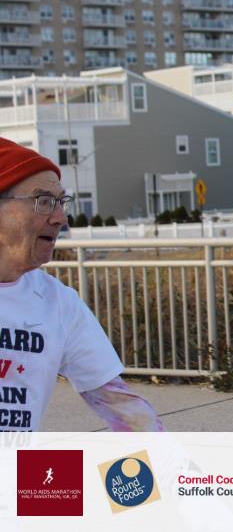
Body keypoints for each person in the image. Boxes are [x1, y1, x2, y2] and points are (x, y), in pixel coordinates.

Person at [0, 138, 162, 431]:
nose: (60, 218)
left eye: (61, 203)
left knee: (76, 464)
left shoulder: (59, 304)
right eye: (43, 202)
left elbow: (124, 408)